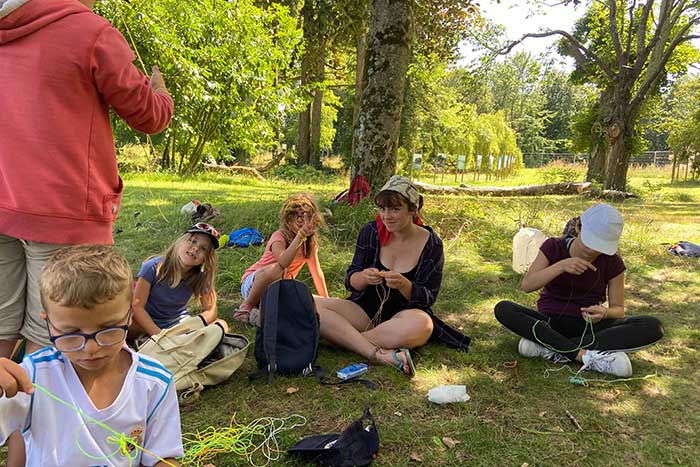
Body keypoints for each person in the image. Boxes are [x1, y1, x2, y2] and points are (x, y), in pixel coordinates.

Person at [0, 0, 174, 360]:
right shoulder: (91, 33)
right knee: (50, 334)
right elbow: (148, 116)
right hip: (63, 212)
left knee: (1, 327)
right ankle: (40, 416)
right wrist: (161, 92)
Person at [0, 245, 183, 466]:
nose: (91, 348)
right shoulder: (32, 377)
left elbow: (160, 457)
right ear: (47, 322)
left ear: (130, 314)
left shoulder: (155, 383)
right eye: (70, 333)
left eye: (108, 329)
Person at [314, 175, 471, 376]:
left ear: (412, 210)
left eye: (395, 209)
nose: (387, 216)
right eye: (383, 209)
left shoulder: (431, 244)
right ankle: (370, 349)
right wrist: (363, 276)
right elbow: (351, 280)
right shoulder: (371, 231)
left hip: (403, 317)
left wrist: (405, 285)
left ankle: (343, 338)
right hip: (364, 311)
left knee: (424, 324)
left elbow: (428, 298)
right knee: (308, 301)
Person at [494, 203, 664, 377]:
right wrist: (561, 266)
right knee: (504, 308)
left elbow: (618, 310)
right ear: (578, 227)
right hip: (551, 322)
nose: (592, 251)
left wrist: (604, 313)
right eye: (589, 243)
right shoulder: (553, 247)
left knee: (652, 326)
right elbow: (527, 285)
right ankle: (584, 355)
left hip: (589, 326)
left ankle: (551, 347)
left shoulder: (613, 262)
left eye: (600, 247)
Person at [233, 193, 329, 325]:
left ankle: (259, 314)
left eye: (307, 216)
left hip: (278, 289)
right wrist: (300, 236)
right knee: (277, 268)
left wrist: (326, 298)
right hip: (254, 284)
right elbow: (283, 262)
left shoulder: (309, 245)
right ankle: (246, 307)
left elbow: (317, 273)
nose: (302, 220)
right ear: (288, 219)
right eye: (298, 216)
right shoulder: (279, 237)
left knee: (304, 301)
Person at [130, 223, 226, 339]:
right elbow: (137, 307)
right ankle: (154, 341)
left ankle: (180, 342)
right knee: (125, 324)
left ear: (206, 259)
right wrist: (160, 336)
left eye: (203, 248)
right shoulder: (152, 267)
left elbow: (211, 310)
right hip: (147, 320)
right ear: (179, 242)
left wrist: (197, 323)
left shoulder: (201, 276)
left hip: (177, 323)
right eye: (193, 241)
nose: (195, 248)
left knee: (221, 325)